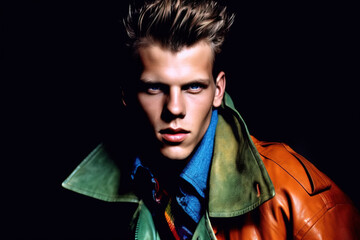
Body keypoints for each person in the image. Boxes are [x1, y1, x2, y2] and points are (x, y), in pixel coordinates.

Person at [62, 0, 360, 239]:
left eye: (193, 87)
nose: (174, 108)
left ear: (218, 91)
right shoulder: (94, 204)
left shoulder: (294, 201)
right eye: (154, 88)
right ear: (127, 94)